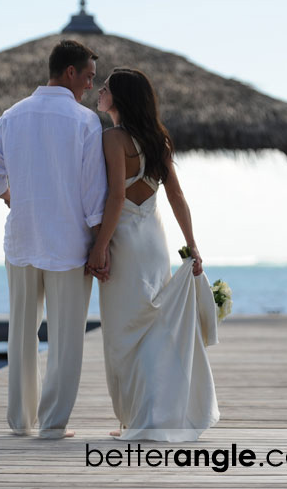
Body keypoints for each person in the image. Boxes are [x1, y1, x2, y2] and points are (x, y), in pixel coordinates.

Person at [0, 39, 107, 439]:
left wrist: (11, 197)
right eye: (88, 77)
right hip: (69, 244)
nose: (89, 85)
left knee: (21, 332)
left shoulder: (11, 116)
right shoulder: (85, 121)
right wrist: (100, 243)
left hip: (22, 241)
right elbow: (93, 195)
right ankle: (52, 424)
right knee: (67, 339)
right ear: (70, 72)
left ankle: (21, 421)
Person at [87, 67, 220, 442]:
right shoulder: (158, 140)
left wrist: (99, 246)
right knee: (152, 328)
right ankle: (152, 415)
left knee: (124, 331)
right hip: (154, 241)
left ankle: (140, 418)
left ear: (121, 97)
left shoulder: (113, 138)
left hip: (125, 242)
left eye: (107, 88)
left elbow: (116, 197)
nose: (100, 91)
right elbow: (177, 197)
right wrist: (192, 244)